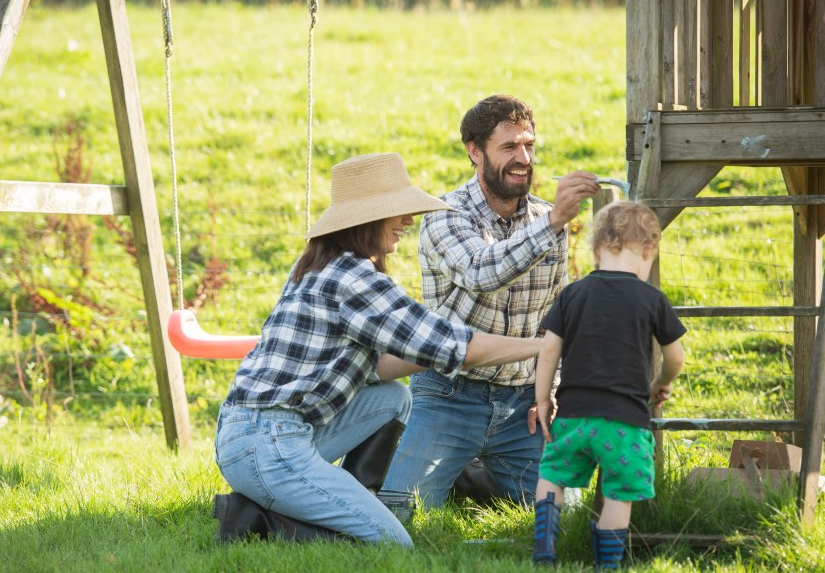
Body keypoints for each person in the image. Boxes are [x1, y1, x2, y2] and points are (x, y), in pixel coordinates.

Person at [212, 152, 544, 546]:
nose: (407, 221)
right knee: (391, 543)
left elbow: (383, 366)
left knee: (391, 399)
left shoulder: (319, 263)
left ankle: (346, 498)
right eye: (398, 211)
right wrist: (541, 345)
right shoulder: (354, 280)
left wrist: (435, 347)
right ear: (368, 218)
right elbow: (458, 349)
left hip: (252, 431)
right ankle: (256, 523)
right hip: (269, 441)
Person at [382, 94, 601, 508]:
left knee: (564, 513)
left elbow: (552, 318)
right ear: (474, 152)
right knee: (400, 512)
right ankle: (462, 467)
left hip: (522, 403)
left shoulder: (546, 218)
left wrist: (550, 390)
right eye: (509, 147)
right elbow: (483, 273)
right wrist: (555, 221)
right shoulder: (445, 216)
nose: (523, 158)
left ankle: (470, 476)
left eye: (529, 145)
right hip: (449, 393)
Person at [531, 200, 686, 569]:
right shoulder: (652, 299)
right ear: (649, 252)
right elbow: (676, 357)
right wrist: (658, 383)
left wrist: (543, 401)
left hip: (573, 416)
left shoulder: (572, 293)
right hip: (624, 424)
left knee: (553, 474)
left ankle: (544, 551)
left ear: (598, 249)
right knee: (619, 493)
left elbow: (549, 352)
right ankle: (608, 564)